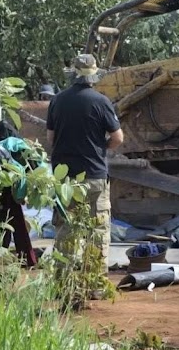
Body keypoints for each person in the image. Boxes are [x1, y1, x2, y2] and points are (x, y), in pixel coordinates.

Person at [46, 53, 123, 276]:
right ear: (94, 75)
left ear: (73, 74)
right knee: (97, 232)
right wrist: (100, 148)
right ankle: (94, 283)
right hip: (94, 176)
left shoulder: (57, 101)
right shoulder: (101, 101)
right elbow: (117, 137)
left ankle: (64, 282)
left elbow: (50, 138)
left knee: (65, 230)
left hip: (65, 179)